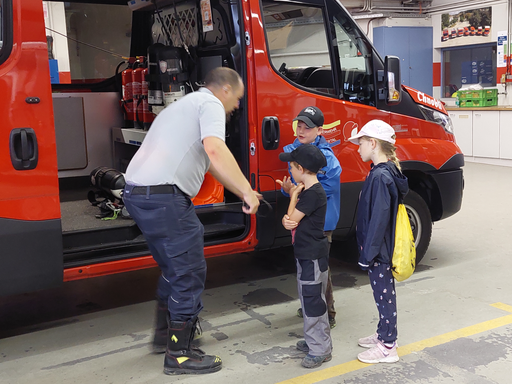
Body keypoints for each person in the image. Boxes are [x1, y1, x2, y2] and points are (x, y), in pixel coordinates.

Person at [122, 67, 261, 375]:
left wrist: (241, 189)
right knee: (188, 270)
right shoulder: (209, 104)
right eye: (237, 98)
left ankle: (164, 337)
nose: (236, 106)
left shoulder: (182, 106)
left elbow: (209, 162)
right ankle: (180, 354)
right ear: (224, 90)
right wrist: (248, 193)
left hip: (138, 194)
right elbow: (215, 149)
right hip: (163, 197)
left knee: (174, 268)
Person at [347, 119, 409, 364]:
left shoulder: (381, 176)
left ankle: (387, 346)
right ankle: (383, 332)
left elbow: (379, 220)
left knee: (384, 295)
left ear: (373, 143)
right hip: (379, 249)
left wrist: (368, 254)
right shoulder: (383, 171)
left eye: (361, 142)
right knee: (382, 294)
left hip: (380, 251)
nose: (358, 147)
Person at [276, 106, 341, 329]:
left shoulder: (328, 160)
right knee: (306, 267)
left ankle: (327, 312)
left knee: (321, 269)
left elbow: (320, 192)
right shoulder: (295, 151)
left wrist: (295, 197)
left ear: (320, 130)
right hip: (303, 219)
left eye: (307, 127)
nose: (301, 131)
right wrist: (289, 190)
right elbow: (298, 186)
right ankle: (310, 305)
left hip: (321, 222)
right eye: (299, 126)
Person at [279, 144, 333, 369]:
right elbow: (290, 221)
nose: (290, 171)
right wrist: (288, 217)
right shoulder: (310, 192)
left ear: (301, 168)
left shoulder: (311, 195)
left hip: (311, 256)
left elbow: (291, 219)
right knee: (308, 297)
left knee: (312, 302)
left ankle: (320, 348)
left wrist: (292, 195)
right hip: (307, 255)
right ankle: (316, 341)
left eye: (291, 166)